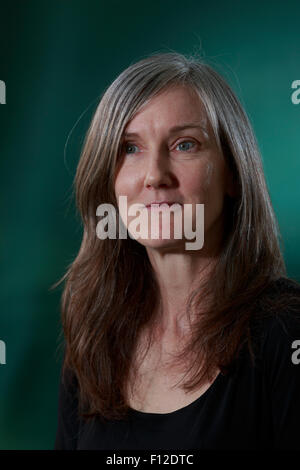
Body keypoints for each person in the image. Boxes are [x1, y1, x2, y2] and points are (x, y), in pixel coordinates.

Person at [54, 51, 300, 450]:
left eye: (185, 144)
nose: (155, 175)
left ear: (233, 174)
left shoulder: (286, 331)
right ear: (108, 182)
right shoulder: (94, 338)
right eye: (130, 148)